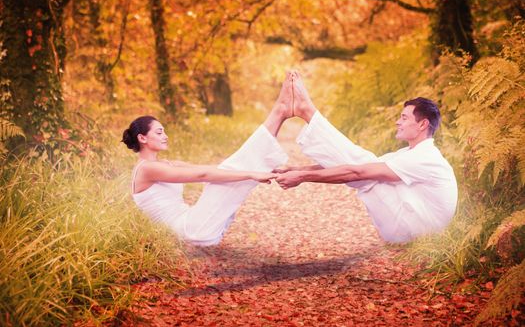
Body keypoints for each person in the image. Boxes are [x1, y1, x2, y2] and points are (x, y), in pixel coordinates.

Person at [275, 71, 458, 242]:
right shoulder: (412, 153)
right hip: (411, 223)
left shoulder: (425, 157)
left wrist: (302, 177)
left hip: (414, 230)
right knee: (368, 164)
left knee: (366, 171)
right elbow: (359, 167)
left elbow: (357, 172)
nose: (397, 122)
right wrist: (297, 170)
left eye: (404, 118)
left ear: (422, 124)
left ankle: (308, 111)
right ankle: (308, 112)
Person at [122, 74, 298, 246]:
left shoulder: (165, 164)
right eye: (159, 132)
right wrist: (251, 173)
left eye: (164, 131)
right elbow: (202, 175)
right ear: (142, 138)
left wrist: (253, 171)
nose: (165, 136)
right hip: (190, 230)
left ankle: (280, 113)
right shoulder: (147, 169)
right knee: (229, 175)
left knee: (229, 169)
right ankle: (280, 111)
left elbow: (212, 168)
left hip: (194, 226)